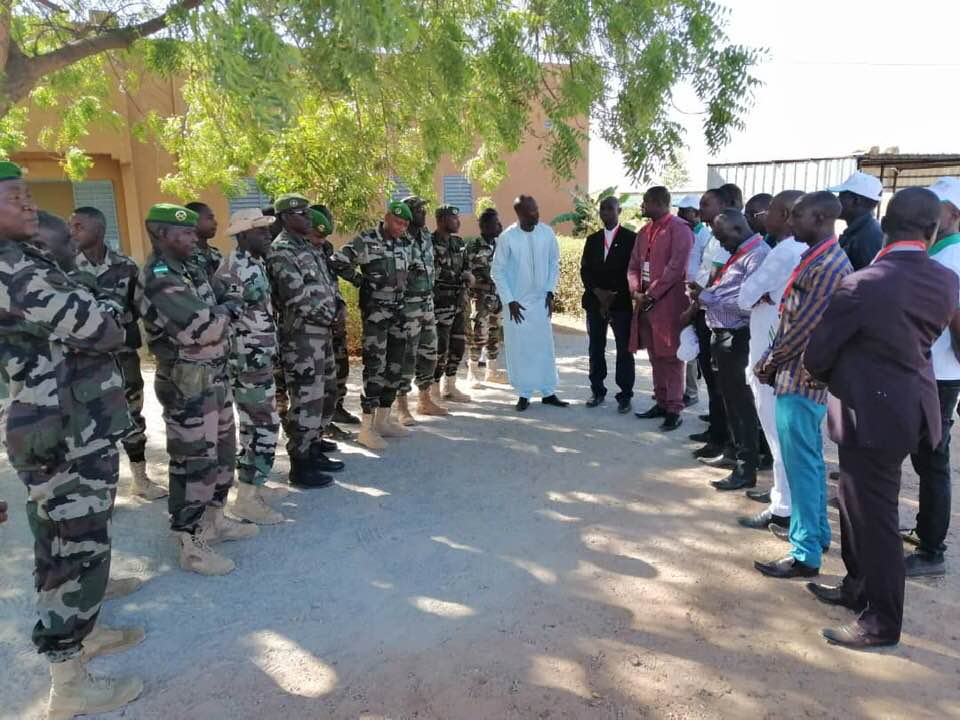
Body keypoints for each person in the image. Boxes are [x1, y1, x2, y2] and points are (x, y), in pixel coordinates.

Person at [0, 162, 144, 718]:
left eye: (27, 194)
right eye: (15, 197)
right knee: (68, 548)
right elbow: (106, 327)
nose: (28, 204)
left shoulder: (26, 260)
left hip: (75, 425)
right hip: (58, 433)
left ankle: (86, 630)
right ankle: (68, 682)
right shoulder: (14, 269)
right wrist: (103, 309)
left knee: (75, 541)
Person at [804, 187, 957, 648]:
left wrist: (843, 377)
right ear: (931, 231)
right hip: (914, 406)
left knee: (874, 519)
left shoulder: (863, 283)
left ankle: (881, 622)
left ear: (886, 225)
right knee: (858, 507)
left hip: (869, 415)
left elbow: (817, 356)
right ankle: (858, 589)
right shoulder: (946, 280)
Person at [137, 203, 256, 577]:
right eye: (184, 233)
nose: (193, 239)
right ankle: (189, 541)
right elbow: (206, 329)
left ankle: (214, 521)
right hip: (187, 384)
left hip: (213, 378)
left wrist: (223, 309)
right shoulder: (160, 277)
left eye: (192, 232)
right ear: (161, 235)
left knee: (221, 453)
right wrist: (228, 310)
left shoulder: (191, 268)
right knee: (193, 463)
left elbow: (226, 296)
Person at [751, 192, 852, 580]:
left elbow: (803, 327)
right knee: (806, 462)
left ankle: (805, 552)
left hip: (801, 378)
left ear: (822, 217)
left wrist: (769, 361)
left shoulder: (827, 265)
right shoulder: (818, 257)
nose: (790, 223)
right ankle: (817, 536)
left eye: (798, 216)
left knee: (802, 466)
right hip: (797, 375)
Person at [69, 206, 167, 501]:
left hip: (123, 356)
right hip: (83, 361)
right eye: (69, 227)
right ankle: (95, 489)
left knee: (132, 415)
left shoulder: (125, 266)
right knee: (88, 422)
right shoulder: (65, 268)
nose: (71, 232)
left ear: (98, 230)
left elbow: (141, 307)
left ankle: (140, 479)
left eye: (78, 226)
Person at [735, 190, 806, 531]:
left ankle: (783, 507)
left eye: (772, 211)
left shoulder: (783, 252)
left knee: (778, 433)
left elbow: (745, 296)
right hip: (789, 352)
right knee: (788, 434)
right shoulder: (809, 249)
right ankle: (784, 496)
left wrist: (760, 295)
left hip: (769, 352)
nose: (765, 217)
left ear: (787, 215)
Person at [902, 177, 960, 577]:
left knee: (933, 459)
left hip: (938, 374)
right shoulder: (939, 252)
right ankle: (926, 530)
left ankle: (932, 550)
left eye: (936, 208)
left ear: (954, 215)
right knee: (925, 458)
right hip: (929, 370)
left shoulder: (951, 259)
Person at [687, 209, 769, 490]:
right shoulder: (742, 253)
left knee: (742, 405)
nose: (721, 243)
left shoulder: (757, 255)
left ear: (737, 228)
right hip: (724, 335)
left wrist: (706, 296)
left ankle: (746, 469)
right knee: (732, 403)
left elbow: (745, 301)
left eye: (722, 237)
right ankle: (737, 456)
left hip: (738, 337)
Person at [267, 195, 345, 486]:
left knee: (324, 392)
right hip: (300, 336)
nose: (309, 218)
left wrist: (340, 307)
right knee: (305, 398)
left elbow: (327, 283)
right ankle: (300, 464)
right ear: (286, 218)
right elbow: (295, 297)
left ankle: (313, 447)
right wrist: (329, 316)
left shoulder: (309, 248)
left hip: (321, 332)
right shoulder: (281, 251)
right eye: (301, 214)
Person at [216, 208, 286, 523]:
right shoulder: (232, 270)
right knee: (264, 426)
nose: (267, 235)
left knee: (254, 427)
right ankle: (246, 497)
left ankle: (250, 489)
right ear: (243, 235)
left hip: (259, 359)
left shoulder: (254, 263)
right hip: (246, 362)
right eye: (260, 231)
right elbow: (225, 321)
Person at [330, 201, 411, 448]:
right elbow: (338, 261)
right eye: (398, 222)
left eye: (405, 224)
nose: (402, 227)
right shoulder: (366, 240)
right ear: (386, 217)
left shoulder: (403, 243)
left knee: (395, 367)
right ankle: (366, 428)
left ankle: (383, 421)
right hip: (376, 315)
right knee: (375, 369)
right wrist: (360, 281)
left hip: (398, 312)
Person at [491, 195, 569, 411]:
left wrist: (550, 292)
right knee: (521, 348)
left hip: (541, 301)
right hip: (518, 304)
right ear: (520, 214)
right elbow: (497, 270)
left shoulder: (547, 233)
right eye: (531, 211)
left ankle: (548, 391)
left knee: (544, 347)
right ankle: (524, 393)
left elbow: (554, 263)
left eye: (536, 209)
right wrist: (509, 300)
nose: (536, 213)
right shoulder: (508, 237)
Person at [629, 186, 692, 429]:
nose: (642, 207)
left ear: (657, 202)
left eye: (645, 202)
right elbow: (633, 265)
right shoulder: (644, 231)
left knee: (672, 357)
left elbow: (676, 269)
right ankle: (662, 401)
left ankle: (675, 409)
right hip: (645, 303)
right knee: (655, 356)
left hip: (668, 302)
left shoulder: (680, 230)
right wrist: (636, 291)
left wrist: (651, 294)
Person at [689, 187, 740, 460]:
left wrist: (692, 306)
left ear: (725, 204)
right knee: (712, 378)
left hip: (717, 313)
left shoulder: (728, 236)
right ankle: (716, 431)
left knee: (723, 383)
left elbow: (716, 279)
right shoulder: (711, 236)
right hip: (706, 309)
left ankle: (724, 441)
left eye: (706, 204)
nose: (701, 210)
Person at [580, 195, 637, 413]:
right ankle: (597, 390)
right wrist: (597, 292)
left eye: (609, 209)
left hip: (620, 302)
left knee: (624, 349)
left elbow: (633, 270)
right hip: (595, 302)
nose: (605, 213)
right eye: (602, 209)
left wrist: (613, 294)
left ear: (619, 210)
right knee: (596, 347)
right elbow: (584, 270)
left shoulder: (632, 238)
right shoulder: (592, 239)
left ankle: (625, 395)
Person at [395, 196, 447, 425]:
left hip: (427, 302)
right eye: (418, 210)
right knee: (407, 354)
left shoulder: (425, 234)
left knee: (429, 351)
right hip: (408, 304)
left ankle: (424, 399)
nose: (423, 213)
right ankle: (402, 405)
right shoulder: (399, 237)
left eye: (424, 210)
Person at [311, 204, 361, 430]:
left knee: (339, 368)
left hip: (334, 317)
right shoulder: (300, 251)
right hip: (315, 323)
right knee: (318, 376)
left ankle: (336, 408)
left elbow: (332, 282)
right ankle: (322, 422)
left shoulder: (326, 248)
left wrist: (340, 305)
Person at [432, 204, 474, 402]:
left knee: (458, 345)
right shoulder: (430, 243)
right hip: (440, 303)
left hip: (459, 302)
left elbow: (467, 266)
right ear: (441, 221)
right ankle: (432, 390)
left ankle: (450, 386)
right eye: (453, 218)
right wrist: (460, 276)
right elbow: (432, 272)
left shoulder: (458, 243)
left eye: (458, 218)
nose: (458, 221)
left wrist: (469, 276)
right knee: (439, 347)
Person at [466, 207, 507, 386]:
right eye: (495, 223)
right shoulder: (473, 246)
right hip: (480, 298)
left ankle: (492, 371)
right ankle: (472, 372)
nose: (499, 225)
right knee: (478, 334)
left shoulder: (500, 246)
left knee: (494, 334)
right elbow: (465, 274)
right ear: (484, 226)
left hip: (498, 297)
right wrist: (480, 286)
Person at [677, 194, 711, 406]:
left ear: (696, 214)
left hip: (695, 295)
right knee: (681, 341)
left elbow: (706, 271)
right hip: (681, 292)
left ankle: (691, 392)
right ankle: (675, 388)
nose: (680, 215)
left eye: (684, 211)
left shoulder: (705, 236)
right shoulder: (685, 232)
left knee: (690, 342)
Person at [827, 171, 884, 271]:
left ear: (856, 200)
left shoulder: (869, 236)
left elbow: (870, 278)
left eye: (841, 196)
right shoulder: (860, 230)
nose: (837, 200)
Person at [184, 201, 223, 278]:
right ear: (194, 221)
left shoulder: (216, 254)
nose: (215, 223)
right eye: (210, 218)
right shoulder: (185, 255)